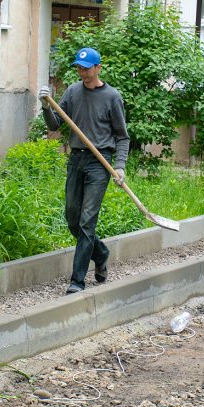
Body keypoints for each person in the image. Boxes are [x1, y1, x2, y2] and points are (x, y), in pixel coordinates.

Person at [39, 47, 130, 295]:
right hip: (76, 160)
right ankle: (100, 253)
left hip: (100, 163)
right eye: (79, 68)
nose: (83, 73)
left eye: (87, 68)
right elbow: (56, 126)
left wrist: (119, 166)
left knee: (87, 221)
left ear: (98, 67)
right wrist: (47, 106)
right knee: (72, 218)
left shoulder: (112, 97)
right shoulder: (72, 92)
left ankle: (77, 282)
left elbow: (122, 137)